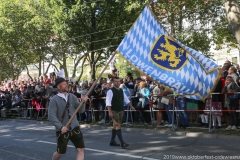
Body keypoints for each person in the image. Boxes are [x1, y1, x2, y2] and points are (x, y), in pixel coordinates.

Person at [48, 77, 88, 160]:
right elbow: (51, 116)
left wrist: (83, 102)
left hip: (75, 127)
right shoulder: (54, 100)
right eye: (64, 84)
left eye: (66, 83)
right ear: (58, 87)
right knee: (60, 153)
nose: (66, 85)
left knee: (81, 149)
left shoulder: (72, 96)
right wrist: (60, 127)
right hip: (63, 129)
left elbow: (81, 110)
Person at [106, 77, 135, 149]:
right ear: (113, 82)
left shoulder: (121, 90)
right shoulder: (110, 91)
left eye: (119, 81)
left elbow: (126, 99)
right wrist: (110, 112)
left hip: (120, 110)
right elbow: (108, 102)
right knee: (118, 125)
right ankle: (122, 143)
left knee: (115, 126)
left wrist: (131, 106)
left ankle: (112, 141)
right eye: (116, 81)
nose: (118, 83)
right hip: (114, 110)